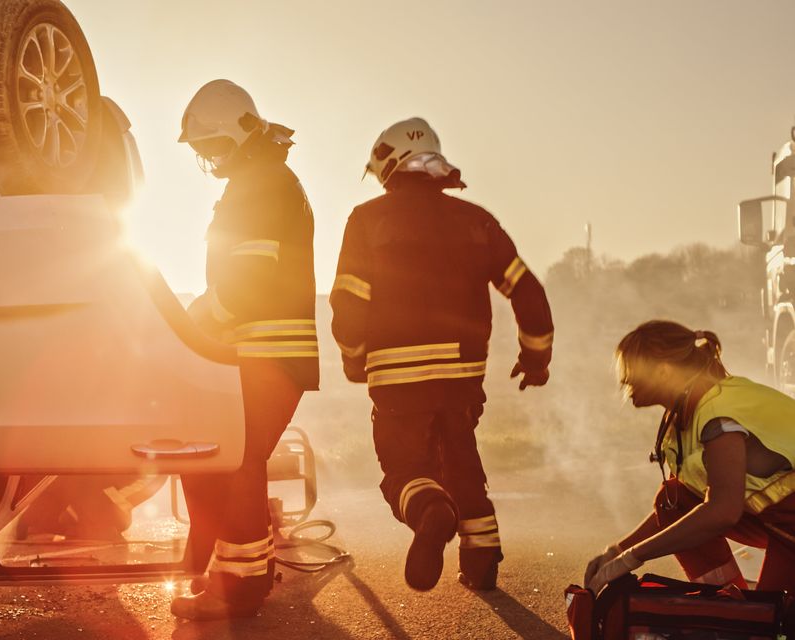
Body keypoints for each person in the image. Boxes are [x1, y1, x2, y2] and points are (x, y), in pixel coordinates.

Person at [331, 118, 553, 591]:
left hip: (396, 376)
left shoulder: (367, 220)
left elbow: (348, 302)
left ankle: (430, 511)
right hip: (462, 376)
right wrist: (536, 359)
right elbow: (528, 292)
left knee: (405, 470)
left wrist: (354, 358)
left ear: (388, 165)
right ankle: (481, 559)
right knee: (461, 461)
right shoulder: (477, 221)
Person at [173, 79, 319, 620]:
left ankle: (237, 590)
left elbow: (248, 280)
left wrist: (197, 318)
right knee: (229, 457)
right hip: (266, 350)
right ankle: (237, 574)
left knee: (232, 458)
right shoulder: (264, 178)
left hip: (268, 349)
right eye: (201, 150)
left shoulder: (261, 184)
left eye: (213, 145)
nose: (209, 158)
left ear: (240, 133)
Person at [585, 320, 795, 592]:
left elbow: (722, 512)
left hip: (788, 524)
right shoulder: (689, 410)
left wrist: (632, 557)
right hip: (783, 521)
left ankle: (748, 612)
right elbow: (680, 507)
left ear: (663, 371)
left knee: (775, 616)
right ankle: (726, 603)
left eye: (631, 369)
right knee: (673, 501)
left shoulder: (718, 413)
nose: (624, 380)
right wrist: (617, 551)